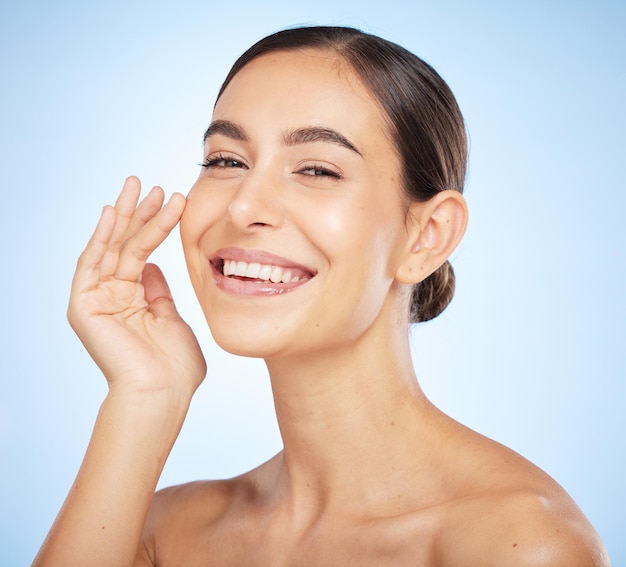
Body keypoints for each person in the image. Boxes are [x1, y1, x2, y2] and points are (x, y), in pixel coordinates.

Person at [33, 26, 610, 566]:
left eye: (316, 170)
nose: (244, 207)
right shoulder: (165, 531)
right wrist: (143, 398)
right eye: (226, 161)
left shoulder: (517, 544)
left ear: (426, 237)